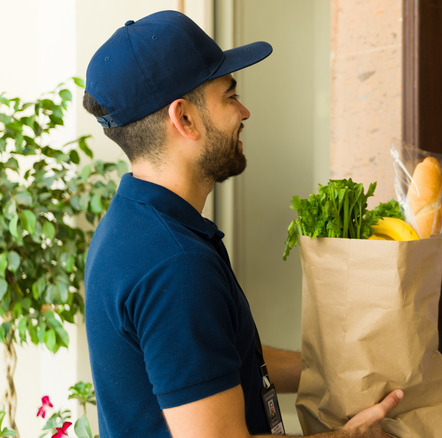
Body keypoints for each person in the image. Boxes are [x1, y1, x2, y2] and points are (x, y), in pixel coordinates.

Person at [82, 10, 402, 438]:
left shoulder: (135, 226)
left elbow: (218, 357)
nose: (244, 111)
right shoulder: (175, 265)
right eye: (229, 96)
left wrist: (337, 372)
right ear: (185, 119)